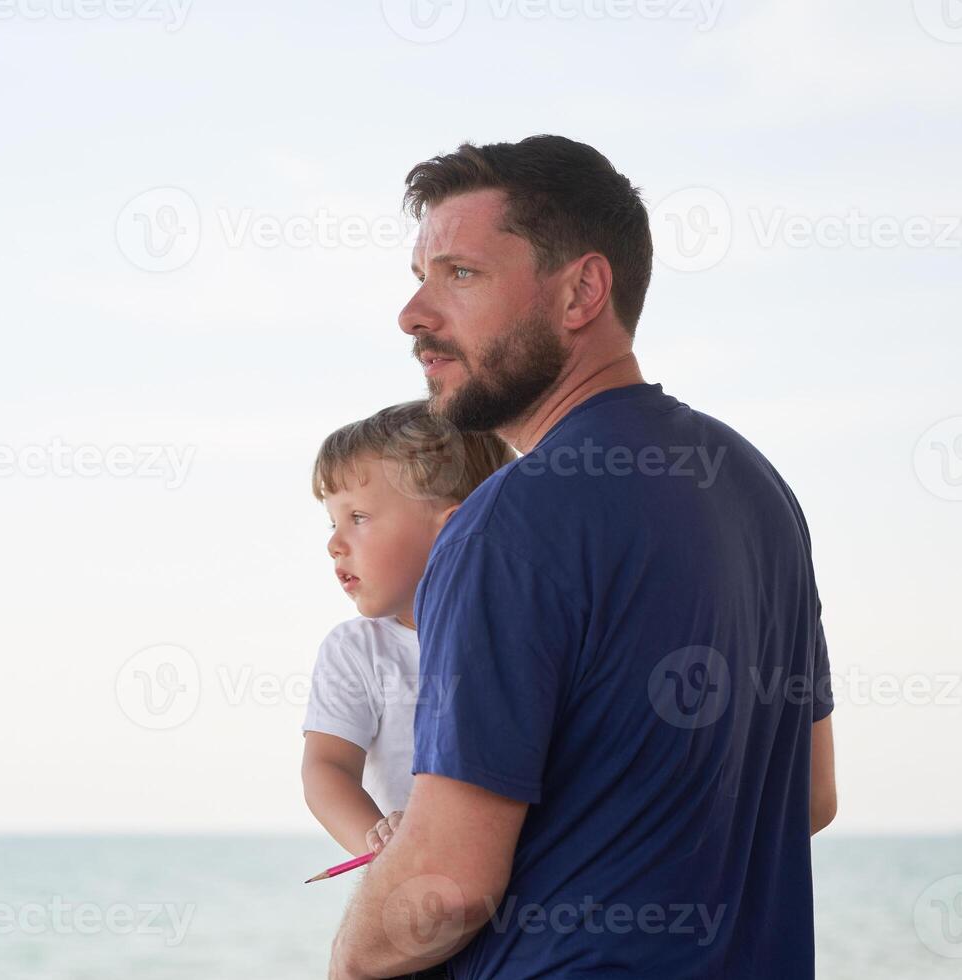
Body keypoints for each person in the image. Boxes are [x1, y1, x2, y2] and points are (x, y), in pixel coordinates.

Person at [328, 135, 838, 980]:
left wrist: (350, 955)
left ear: (581, 293)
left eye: (460, 274)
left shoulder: (506, 525)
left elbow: (446, 889)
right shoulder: (757, 489)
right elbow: (810, 799)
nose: (414, 314)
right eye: (419, 278)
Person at [301, 401, 513, 859]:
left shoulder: (521, 637)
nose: (334, 544)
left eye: (357, 518)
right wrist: (379, 843)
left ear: (453, 529)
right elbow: (327, 768)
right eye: (333, 522)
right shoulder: (357, 649)